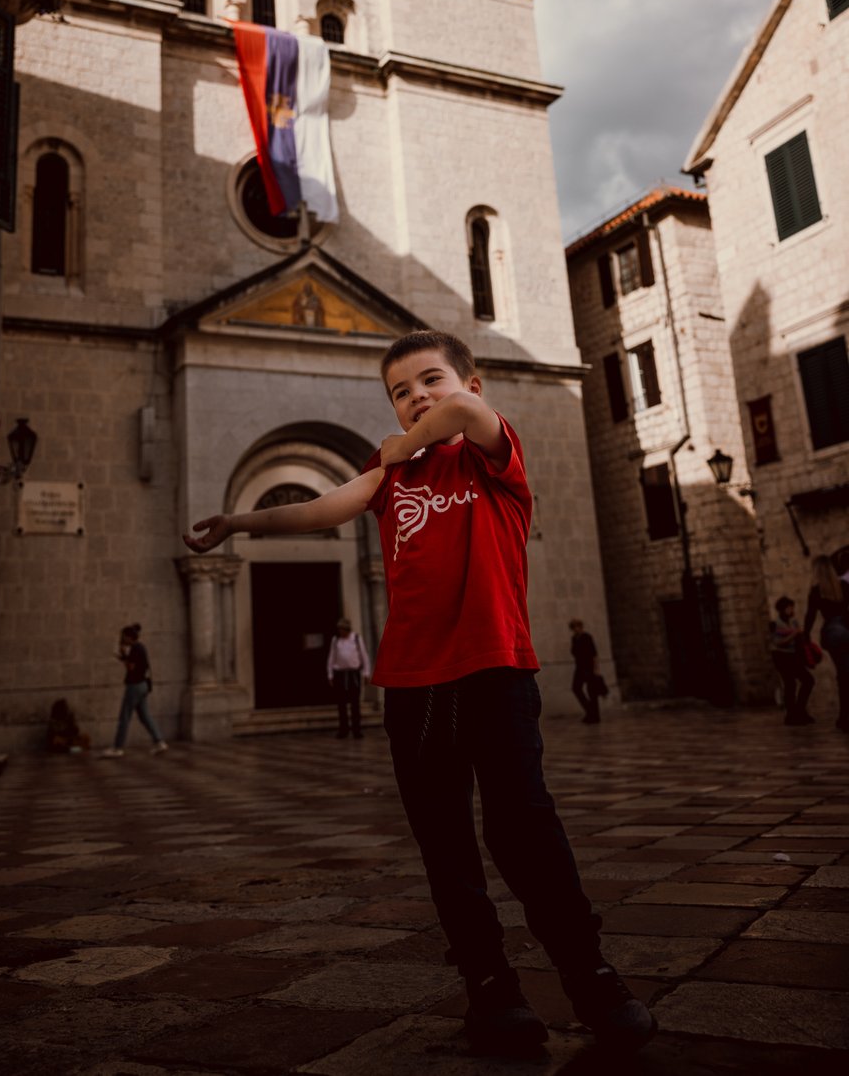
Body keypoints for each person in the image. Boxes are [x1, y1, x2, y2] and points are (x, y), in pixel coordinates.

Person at [185, 329, 655, 1053]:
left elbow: (464, 415)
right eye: (400, 392)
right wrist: (238, 521)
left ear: (472, 381)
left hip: (496, 669)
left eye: (430, 379)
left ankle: (589, 974)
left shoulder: (494, 453)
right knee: (445, 842)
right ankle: (491, 987)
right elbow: (324, 507)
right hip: (413, 685)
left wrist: (409, 441)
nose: (416, 398)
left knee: (522, 828)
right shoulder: (389, 474)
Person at [99, 623, 168, 757]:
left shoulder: (136, 648)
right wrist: (125, 657)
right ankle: (159, 741)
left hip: (135, 685)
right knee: (144, 716)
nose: (122, 639)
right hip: (143, 685)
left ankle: (118, 747)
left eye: (123, 637)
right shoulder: (140, 647)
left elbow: (131, 668)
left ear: (128, 637)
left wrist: (123, 657)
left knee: (124, 716)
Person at [805, 554, 849, 732]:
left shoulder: (816, 590)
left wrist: (806, 637)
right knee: (846, 674)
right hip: (846, 630)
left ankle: (845, 718)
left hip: (832, 633)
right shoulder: (844, 586)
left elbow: (810, 616)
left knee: (843, 675)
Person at [769, 596, 815, 726]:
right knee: (790, 684)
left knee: (808, 680)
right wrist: (794, 634)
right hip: (781, 656)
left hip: (794, 656)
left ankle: (800, 710)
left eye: (792, 607)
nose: (791, 610)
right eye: (789, 608)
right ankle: (791, 715)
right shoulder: (775, 624)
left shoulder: (793, 622)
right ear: (782, 609)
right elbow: (777, 642)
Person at [327, 617, 371, 737]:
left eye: (343, 629)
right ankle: (343, 729)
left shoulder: (356, 639)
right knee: (341, 704)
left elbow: (364, 656)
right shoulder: (335, 640)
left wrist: (366, 673)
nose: (341, 632)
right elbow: (331, 658)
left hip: (353, 675)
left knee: (355, 703)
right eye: (339, 629)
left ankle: (356, 730)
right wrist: (330, 674)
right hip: (340, 674)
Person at [569, 619, 601, 724]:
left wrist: (596, 668)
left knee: (592, 692)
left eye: (578, 626)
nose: (576, 629)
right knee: (576, 688)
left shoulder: (587, 637)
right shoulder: (574, 639)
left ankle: (594, 715)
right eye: (574, 627)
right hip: (579, 667)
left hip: (589, 667)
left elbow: (594, 654)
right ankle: (590, 711)